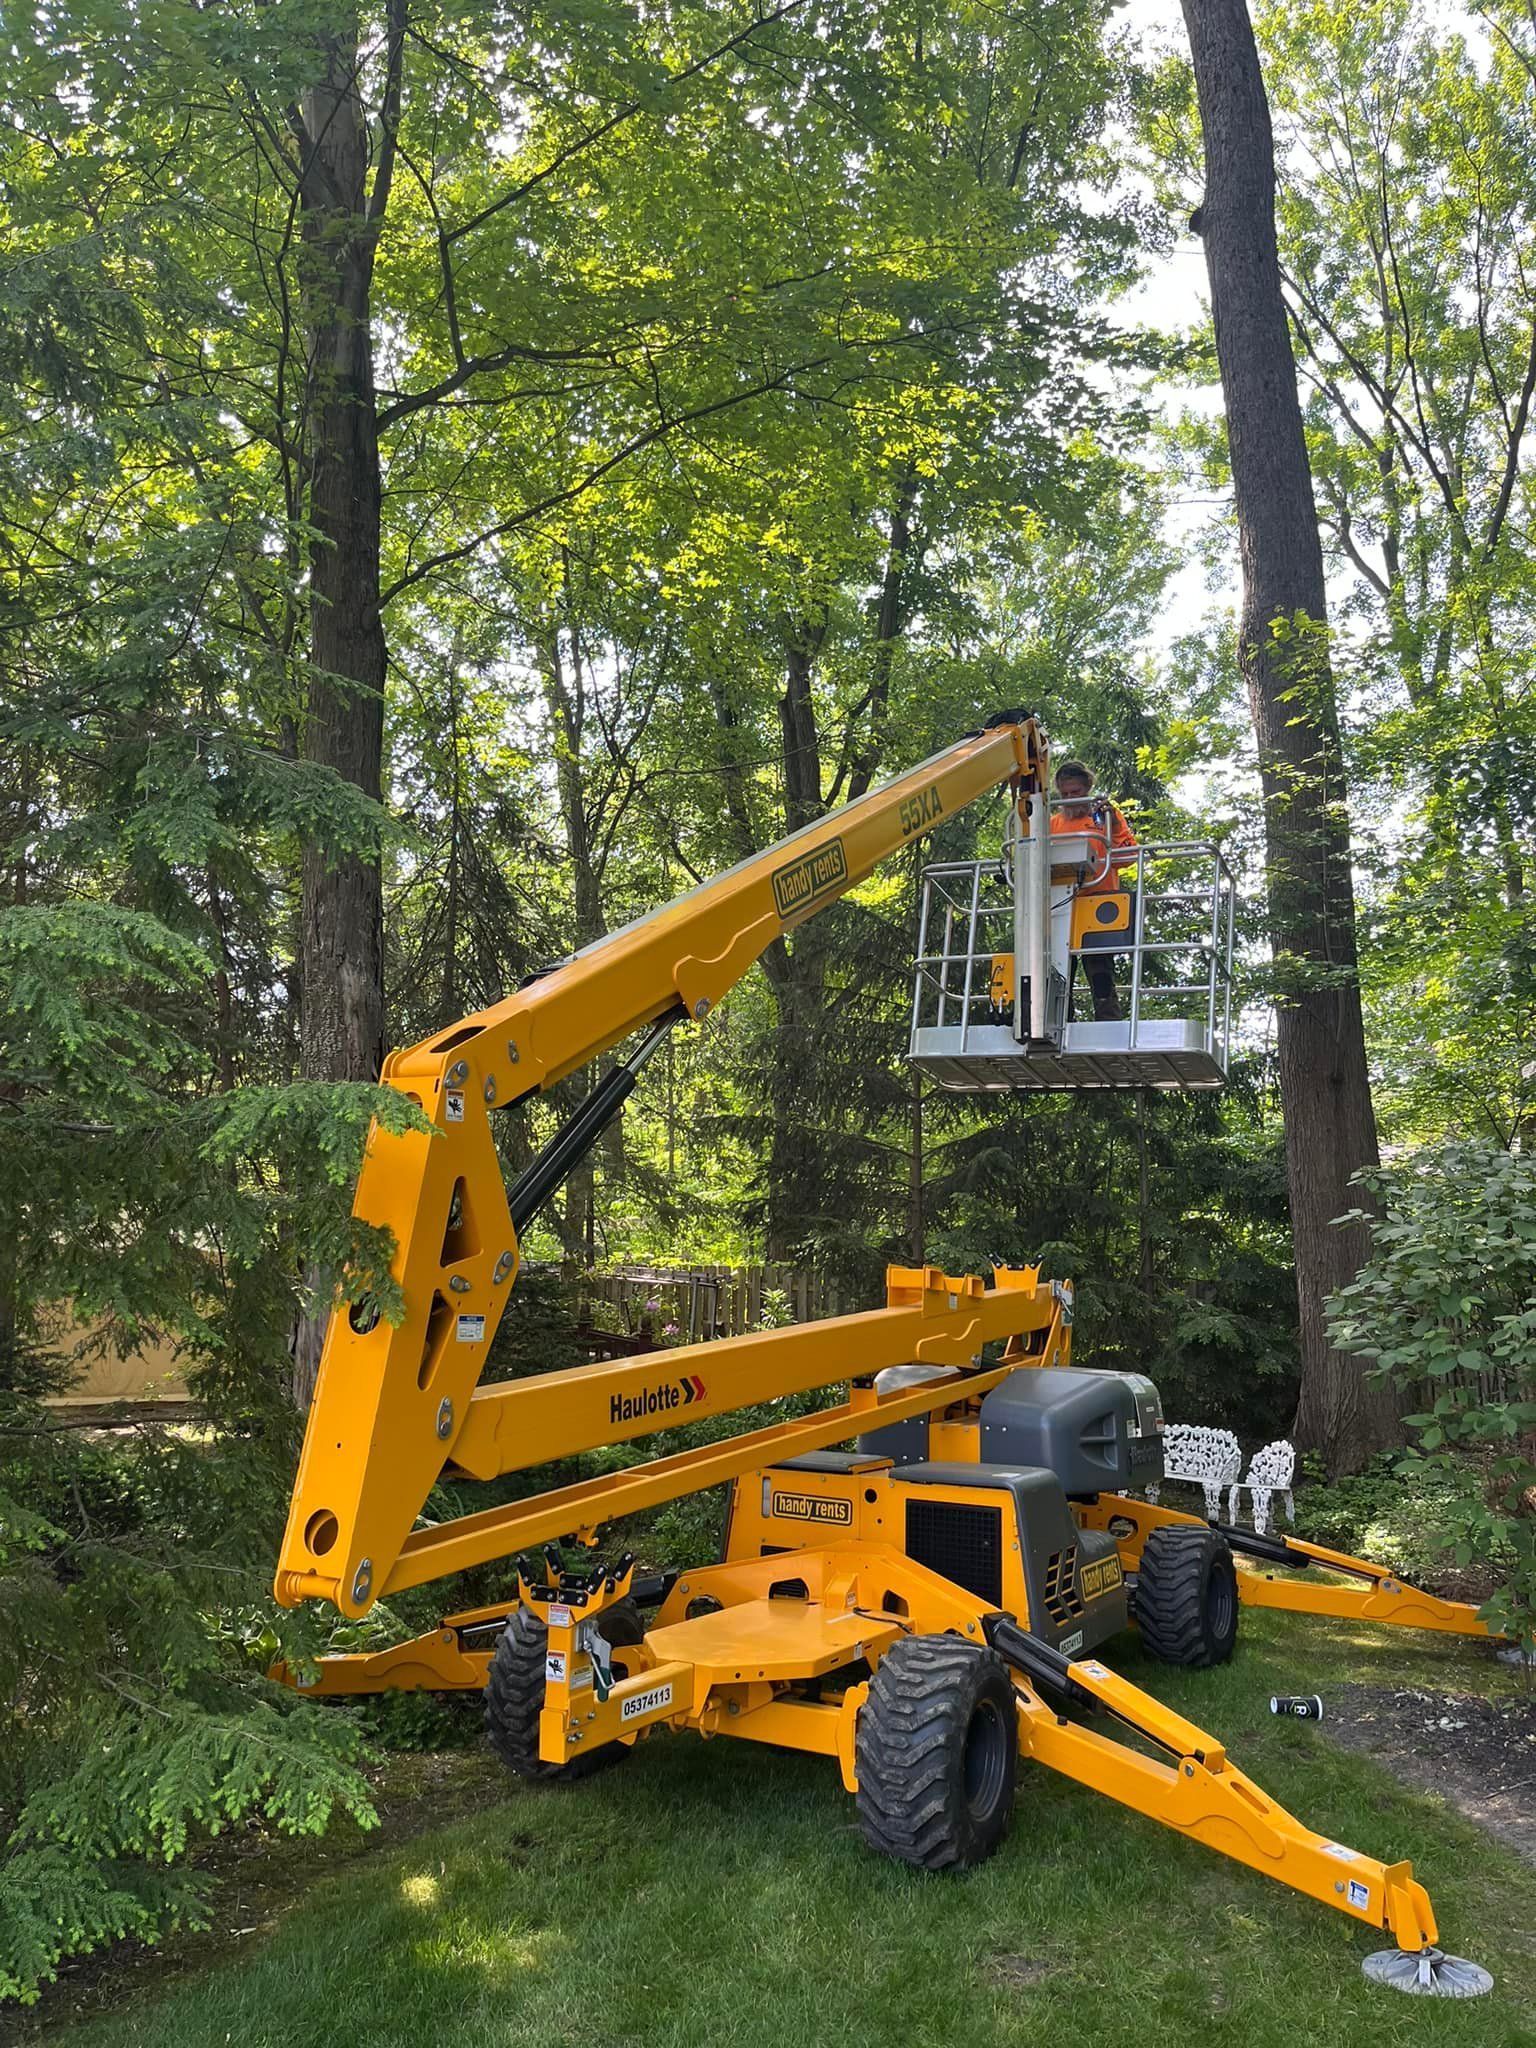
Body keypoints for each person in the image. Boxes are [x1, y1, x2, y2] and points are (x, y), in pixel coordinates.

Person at [1049, 758, 1138, 1022]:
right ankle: (1059, 1022)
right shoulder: (1053, 823)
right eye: (1064, 794)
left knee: (1100, 968)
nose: (1069, 799)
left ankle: (1108, 1021)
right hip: (1060, 904)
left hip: (1098, 904)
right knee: (1058, 970)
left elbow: (1127, 857)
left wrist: (1114, 824)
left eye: (1074, 793)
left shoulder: (1104, 818)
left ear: (1087, 788)